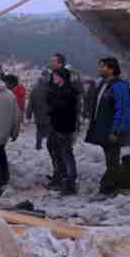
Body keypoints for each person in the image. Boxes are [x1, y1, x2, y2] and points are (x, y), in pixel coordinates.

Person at [86, 56, 130, 196]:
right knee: (110, 159)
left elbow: (122, 110)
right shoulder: (103, 84)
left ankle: (109, 187)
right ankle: (114, 185)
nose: (99, 69)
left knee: (113, 160)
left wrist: (116, 131)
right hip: (103, 129)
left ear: (111, 69)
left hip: (112, 130)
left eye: (102, 66)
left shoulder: (119, 86)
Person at [47, 67, 80, 195]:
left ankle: (70, 183)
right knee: (56, 150)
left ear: (61, 77)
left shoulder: (68, 91)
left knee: (66, 154)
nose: (53, 78)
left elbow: (62, 107)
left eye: (55, 76)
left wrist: (53, 101)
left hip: (64, 127)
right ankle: (61, 177)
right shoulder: (59, 90)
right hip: (57, 125)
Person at [26, 72, 54, 169]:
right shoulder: (51, 90)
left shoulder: (34, 90)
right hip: (49, 116)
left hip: (38, 116)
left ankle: (38, 144)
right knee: (49, 132)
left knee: (39, 130)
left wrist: (28, 116)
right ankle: (49, 146)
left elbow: (30, 105)